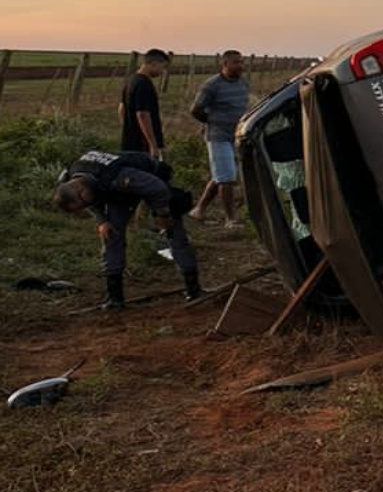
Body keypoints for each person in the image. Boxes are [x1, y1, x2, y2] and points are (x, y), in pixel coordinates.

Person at [51, 150, 202, 311]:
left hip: (151, 180)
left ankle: (193, 288)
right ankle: (114, 298)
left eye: (83, 204)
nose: (86, 207)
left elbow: (158, 189)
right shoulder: (74, 177)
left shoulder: (118, 178)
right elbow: (93, 200)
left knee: (172, 230)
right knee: (111, 235)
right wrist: (102, 221)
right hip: (116, 191)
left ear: (81, 190)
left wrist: (162, 214)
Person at [188, 50, 250, 228]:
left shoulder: (243, 83)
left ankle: (198, 210)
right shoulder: (212, 85)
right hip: (218, 136)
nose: (240, 66)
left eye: (241, 62)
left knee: (221, 174)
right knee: (227, 178)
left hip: (236, 136)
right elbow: (196, 110)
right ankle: (231, 219)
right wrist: (211, 122)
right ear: (225, 65)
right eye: (236, 63)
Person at [119, 49, 169, 159]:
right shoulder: (144, 84)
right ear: (154, 63)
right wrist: (152, 144)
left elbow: (121, 109)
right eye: (162, 67)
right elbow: (142, 114)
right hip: (143, 144)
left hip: (129, 141)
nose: (162, 72)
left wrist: (128, 128)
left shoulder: (130, 81)